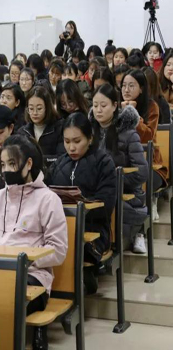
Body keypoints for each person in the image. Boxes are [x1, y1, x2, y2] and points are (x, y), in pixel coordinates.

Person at [0, 135, 68, 350]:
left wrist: (22, 261)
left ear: (28, 164)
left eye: (12, 164)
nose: (6, 170)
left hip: (33, 276)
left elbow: (58, 251)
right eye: (3, 164)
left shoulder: (48, 200)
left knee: (4, 301)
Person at [45, 113, 116, 294]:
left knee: (76, 245)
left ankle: (85, 275)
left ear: (90, 138)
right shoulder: (60, 163)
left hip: (94, 229)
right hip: (59, 228)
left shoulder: (103, 162)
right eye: (67, 141)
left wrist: (79, 210)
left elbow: (105, 204)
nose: (71, 147)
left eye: (77, 141)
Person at [91, 84, 149, 253]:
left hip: (127, 195)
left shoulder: (129, 134)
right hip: (97, 193)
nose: (98, 110)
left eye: (103, 105)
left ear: (115, 106)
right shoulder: (89, 133)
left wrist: (112, 180)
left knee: (104, 204)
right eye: (95, 106)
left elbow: (142, 172)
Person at [121, 69, 169, 219]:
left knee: (140, 181)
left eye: (131, 86)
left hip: (150, 164)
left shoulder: (152, 106)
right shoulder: (116, 105)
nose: (126, 90)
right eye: (123, 85)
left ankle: (142, 221)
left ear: (141, 88)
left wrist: (132, 114)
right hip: (124, 163)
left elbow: (148, 136)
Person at [19, 86, 65, 156]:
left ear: (47, 108)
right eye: (31, 109)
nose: (35, 113)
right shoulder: (23, 132)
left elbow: (61, 157)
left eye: (39, 108)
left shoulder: (60, 128)